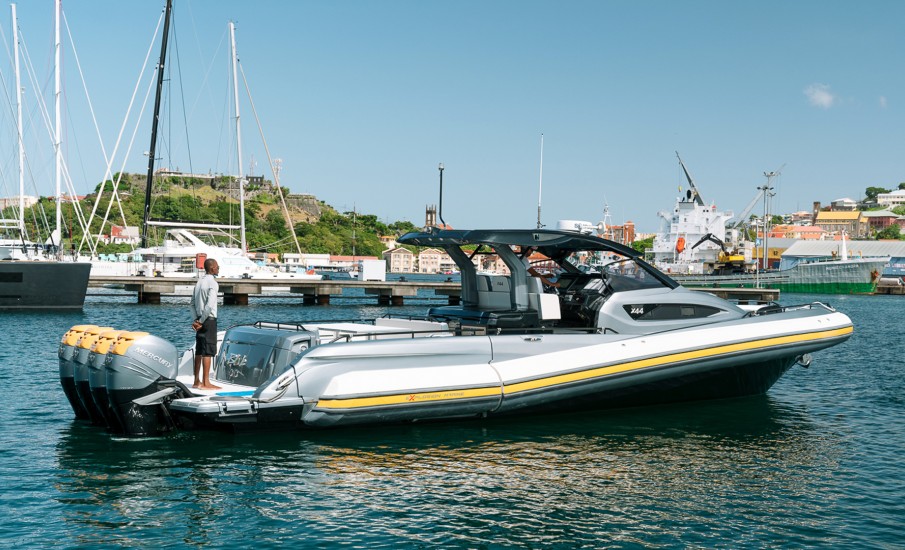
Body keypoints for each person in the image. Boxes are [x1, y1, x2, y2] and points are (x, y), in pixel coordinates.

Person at [190, 258, 221, 389]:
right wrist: (201, 321)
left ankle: (196, 381)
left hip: (199, 319)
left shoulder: (199, 282)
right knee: (208, 350)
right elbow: (209, 305)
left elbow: (191, 303)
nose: (218, 269)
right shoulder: (213, 283)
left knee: (199, 350)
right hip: (208, 320)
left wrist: (196, 321)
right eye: (217, 267)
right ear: (212, 268)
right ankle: (206, 382)